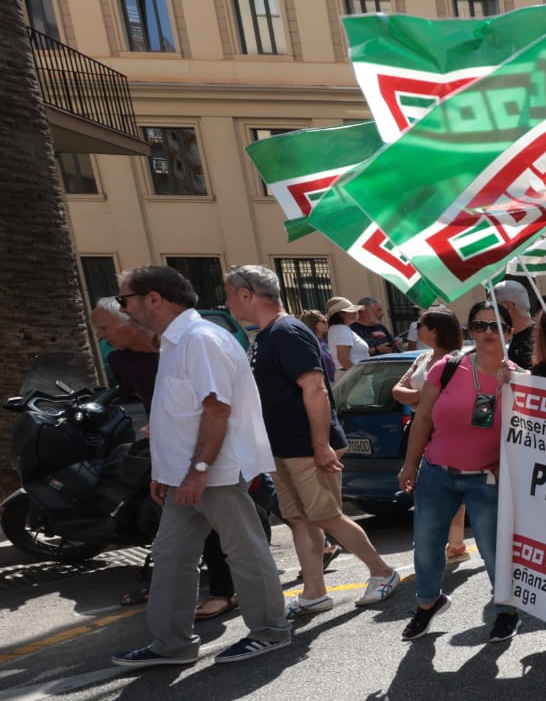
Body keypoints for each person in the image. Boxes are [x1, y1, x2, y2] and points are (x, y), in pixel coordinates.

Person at [109, 266, 292, 667]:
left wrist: (198, 468)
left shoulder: (200, 339)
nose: (123, 310)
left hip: (214, 471)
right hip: (185, 475)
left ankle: (271, 630)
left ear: (154, 298)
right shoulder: (178, 341)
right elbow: (179, 414)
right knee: (172, 554)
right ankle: (171, 642)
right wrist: (165, 471)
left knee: (243, 550)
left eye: (125, 300)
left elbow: (217, 407)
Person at [226, 266, 402, 618]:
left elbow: (316, 387)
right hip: (284, 446)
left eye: (230, 294)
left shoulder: (288, 332)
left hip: (307, 445)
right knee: (300, 519)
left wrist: (321, 444)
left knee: (327, 516)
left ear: (246, 295)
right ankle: (314, 592)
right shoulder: (267, 334)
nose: (227, 302)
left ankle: (383, 572)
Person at [397, 301, 519, 643]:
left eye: (496, 325)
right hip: (438, 473)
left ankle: (506, 612)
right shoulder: (448, 367)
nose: (487, 332)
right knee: (426, 544)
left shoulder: (520, 378)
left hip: (487, 480)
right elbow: (422, 417)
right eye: (479, 326)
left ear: (510, 332)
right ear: (469, 332)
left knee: (493, 550)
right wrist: (410, 463)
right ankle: (427, 604)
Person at [392, 308, 471, 566]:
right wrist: (425, 397)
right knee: (422, 481)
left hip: (446, 428)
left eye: (422, 324)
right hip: (420, 425)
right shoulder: (423, 357)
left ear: (435, 329)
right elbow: (397, 390)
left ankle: (456, 543)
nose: (417, 328)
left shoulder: (457, 360)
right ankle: (439, 540)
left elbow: (446, 397)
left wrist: (419, 397)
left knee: (451, 482)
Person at [91, 297, 160, 408]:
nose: (99, 335)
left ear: (130, 321)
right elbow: (151, 407)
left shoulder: (176, 346)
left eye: (104, 328)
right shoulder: (119, 361)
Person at [493, 280, 536, 368]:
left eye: (493, 306)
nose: (491, 312)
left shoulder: (538, 340)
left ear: (507, 306)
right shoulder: (540, 334)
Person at [324, 297, 368, 372]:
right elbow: (343, 358)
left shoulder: (336, 329)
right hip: (352, 376)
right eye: (351, 310)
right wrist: (357, 374)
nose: (355, 313)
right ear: (341, 314)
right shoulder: (342, 329)